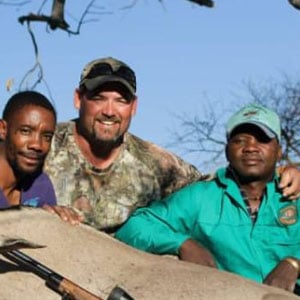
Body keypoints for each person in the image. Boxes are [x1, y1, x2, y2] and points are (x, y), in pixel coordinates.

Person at [44, 56, 300, 233]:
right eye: (99, 98)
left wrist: (281, 173)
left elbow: (215, 185)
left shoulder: (157, 163)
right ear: (79, 99)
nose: (109, 111)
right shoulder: (44, 143)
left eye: (121, 100)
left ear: (134, 107)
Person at [115, 103, 300, 294]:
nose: (250, 148)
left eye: (262, 140)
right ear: (228, 150)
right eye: (240, 141)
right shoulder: (201, 196)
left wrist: (294, 263)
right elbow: (134, 228)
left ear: (278, 150)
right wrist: (182, 243)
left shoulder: (295, 195)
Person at [0, 91, 82, 225]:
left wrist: (58, 216)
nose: (37, 145)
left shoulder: (40, 185)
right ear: (3, 129)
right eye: (25, 131)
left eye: (47, 137)